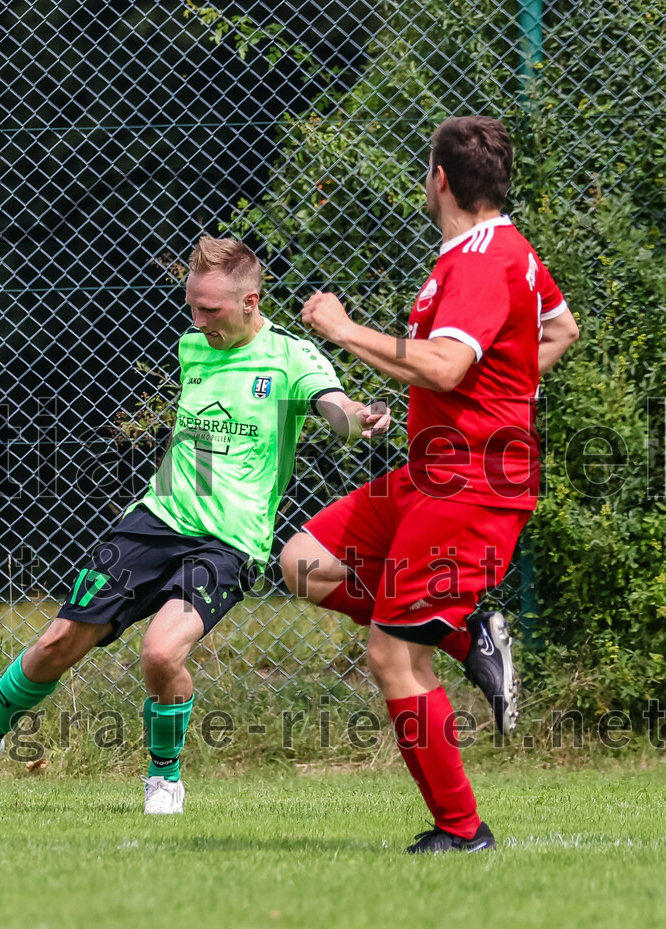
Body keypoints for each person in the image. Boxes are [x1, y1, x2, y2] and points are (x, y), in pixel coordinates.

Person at [0, 235, 391, 814]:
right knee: (56, 644)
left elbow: (336, 410)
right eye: (192, 307)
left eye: (211, 310)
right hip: (156, 519)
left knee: (159, 652)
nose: (198, 321)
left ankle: (164, 779)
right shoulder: (193, 348)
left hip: (228, 543)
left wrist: (359, 417)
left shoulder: (291, 359)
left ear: (251, 302)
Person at [281, 115, 579, 852]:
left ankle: (462, 829)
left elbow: (446, 366)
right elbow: (561, 328)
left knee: (391, 653)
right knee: (303, 562)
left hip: (472, 483)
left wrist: (342, 329)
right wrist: (502, 396)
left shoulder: (481, 257)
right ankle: (464, 630)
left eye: (425, 170)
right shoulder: (500, 248)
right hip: (431, 474)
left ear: (440, 178)